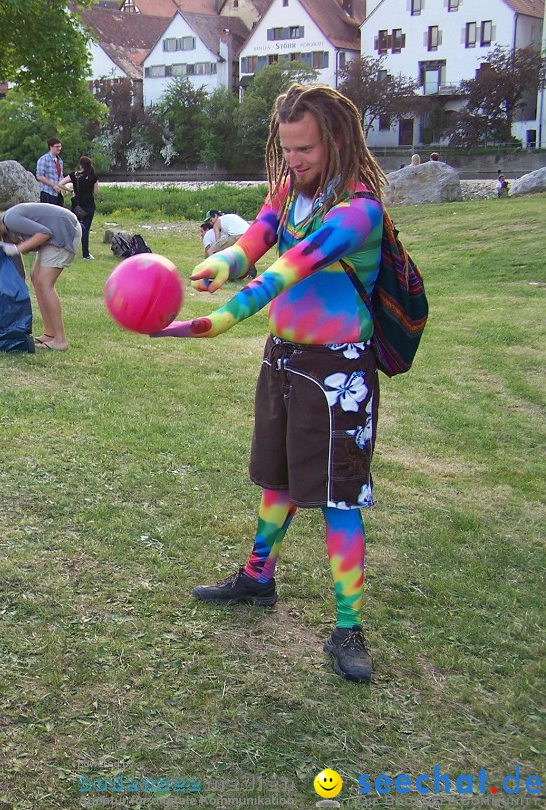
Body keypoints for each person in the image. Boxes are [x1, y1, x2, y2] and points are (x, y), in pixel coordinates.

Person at [153, 83, 387, 683]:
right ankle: (258, 578)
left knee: (338, 499)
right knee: (276, 478)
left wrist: (215, 321)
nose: (294, 162)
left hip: (338, 373)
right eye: (286, 150)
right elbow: (256, 242)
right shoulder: (287, 191)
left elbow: (287, 269)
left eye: (305, 149)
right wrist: (217, 265)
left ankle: (347, 627)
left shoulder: (358, 212)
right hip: (283, 358)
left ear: (336, 140)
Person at [0, 203, 80, 351]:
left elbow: (45, 233)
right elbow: (18, 273)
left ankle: (60, 340)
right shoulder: (6, 234)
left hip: (65, 229)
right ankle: (50, 334)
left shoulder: (10, 219)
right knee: (36, 278)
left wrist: (17, 248)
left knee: (45, 283)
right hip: (56, 234)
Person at [64, 156, 99, 260]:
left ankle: (68, 249)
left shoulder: (74, 175)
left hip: (77, 205)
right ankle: (85, 254)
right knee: (85, 229)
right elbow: (96, 193)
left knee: (73, 227)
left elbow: (60, 183)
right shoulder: (93, 176)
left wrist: (70, 191)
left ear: (80, 165)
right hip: (88, 205)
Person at [205, 209, 255, 278]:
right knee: (242, 253)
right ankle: (251, 272)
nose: (211, 223)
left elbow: (218, 240)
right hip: (249, 234)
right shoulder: (228, 217)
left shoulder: (217, 222)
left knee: (210, 251)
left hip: (237, 235)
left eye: (211, 220)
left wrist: (217, 248)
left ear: (215, 216)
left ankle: (212, 272)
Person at [35, 138, 65, 206]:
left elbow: (60, 176)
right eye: (57, 147)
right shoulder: (43, 159)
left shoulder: (60, 161)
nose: (59, 148)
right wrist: (53, 185)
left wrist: (64, 187)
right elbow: (39, 176)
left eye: (60, 146)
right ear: (51, 147)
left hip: (59, 193)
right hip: (48, 192)